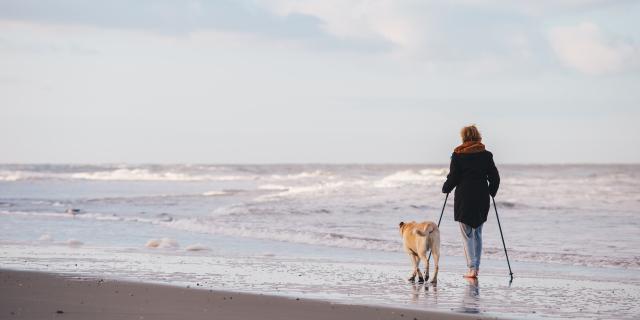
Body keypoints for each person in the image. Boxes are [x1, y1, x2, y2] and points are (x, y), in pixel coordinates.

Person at [442, 125, 500, 278]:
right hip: (481, 196)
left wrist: (446, 188)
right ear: (478, 136)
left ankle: (471, 269)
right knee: (478, 233)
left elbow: (453, 177)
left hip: (464, 197)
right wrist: (492, 191)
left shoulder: (458, 154)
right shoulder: (486, 155)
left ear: (463, 137)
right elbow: (495, 177)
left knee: (467, 234)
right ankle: (477, 268)